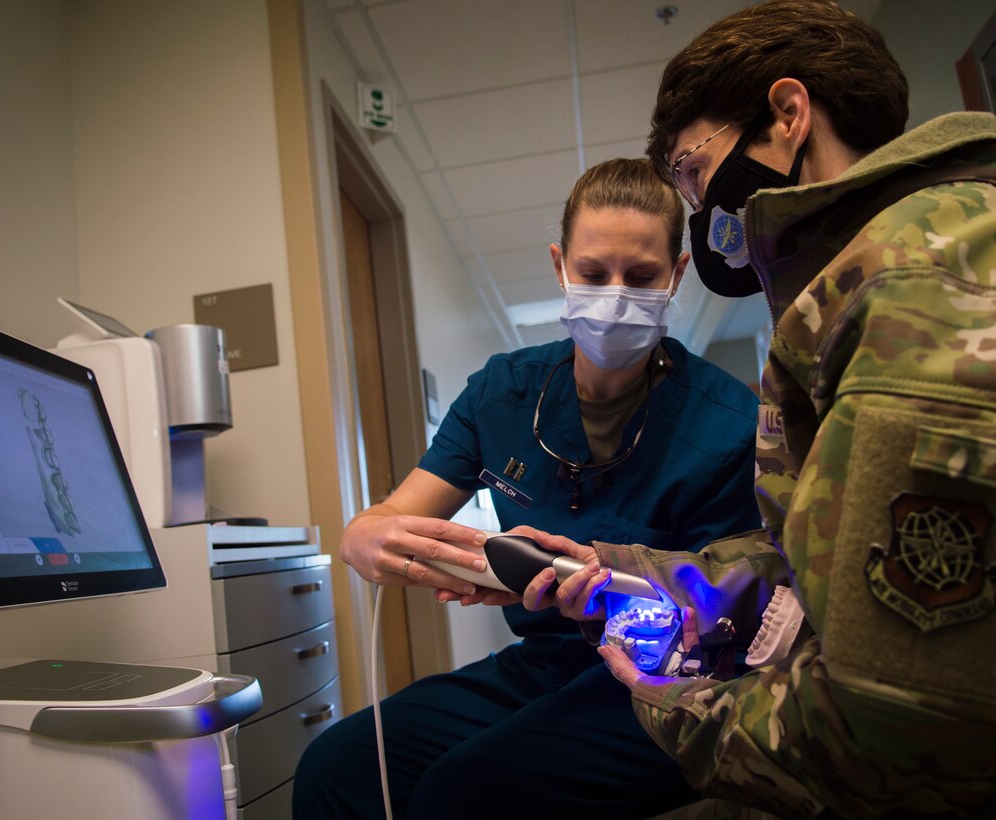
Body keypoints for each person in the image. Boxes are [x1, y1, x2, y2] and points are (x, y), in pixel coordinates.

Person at [589, 1, 996, 817]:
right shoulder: (876, 269)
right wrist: (614, 570)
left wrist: (675, 706)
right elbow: (823, 548)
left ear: (786, 115)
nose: (699, 209)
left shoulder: (909, 285)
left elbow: (898, 729)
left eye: (692, 170)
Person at [292, 158, 774, 819]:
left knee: (463, 791)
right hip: (543, 663)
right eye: (592, 273)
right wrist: (363, 535)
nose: (614, 296)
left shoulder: (726, 424)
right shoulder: (502, 392)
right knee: (337, 765)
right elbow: (396, 514)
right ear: (559, 266)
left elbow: (733, 611)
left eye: (640, 277)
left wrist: (603, 589)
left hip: (662, 677)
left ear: (676, 274)